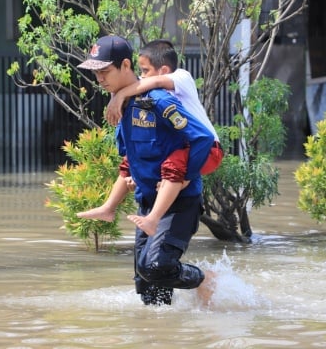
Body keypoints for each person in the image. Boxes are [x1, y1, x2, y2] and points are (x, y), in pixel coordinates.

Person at [76, 35, 216, 306]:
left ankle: (203, 279)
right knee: (148, 287)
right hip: (146, 202)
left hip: (179, 204)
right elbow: (131, 156)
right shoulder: (121, 106)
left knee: (155, 267)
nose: (100, 79)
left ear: (125, 65)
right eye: (96, 74)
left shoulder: (159, 101)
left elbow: (203, 138)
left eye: (104, 71)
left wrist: (187, 176)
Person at [105, 39, 222, 176]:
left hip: (207, 149)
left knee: (173, 166)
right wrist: (115, 95)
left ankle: (172, 188)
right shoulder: (152, 93)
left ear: (164, 70)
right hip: (180, 147)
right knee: (134, 161)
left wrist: (121, 95)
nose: (141, 76)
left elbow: (155, 81)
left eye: (145, 70)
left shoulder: (182, 77)